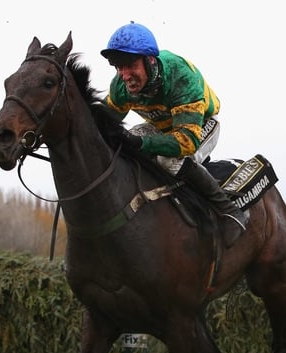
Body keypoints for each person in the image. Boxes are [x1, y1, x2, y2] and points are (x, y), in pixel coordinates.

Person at [99, 21, 247, 247]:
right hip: (162, 126)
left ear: (149, 60)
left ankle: (230, 211)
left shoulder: (180, 76)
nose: (125, 75)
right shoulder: (119, 86)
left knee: (169, 160)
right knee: (122, 147)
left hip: (200, 125)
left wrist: (142, 143)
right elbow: (103, 123)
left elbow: (186, 141)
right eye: (118, 67)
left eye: (130, 65)